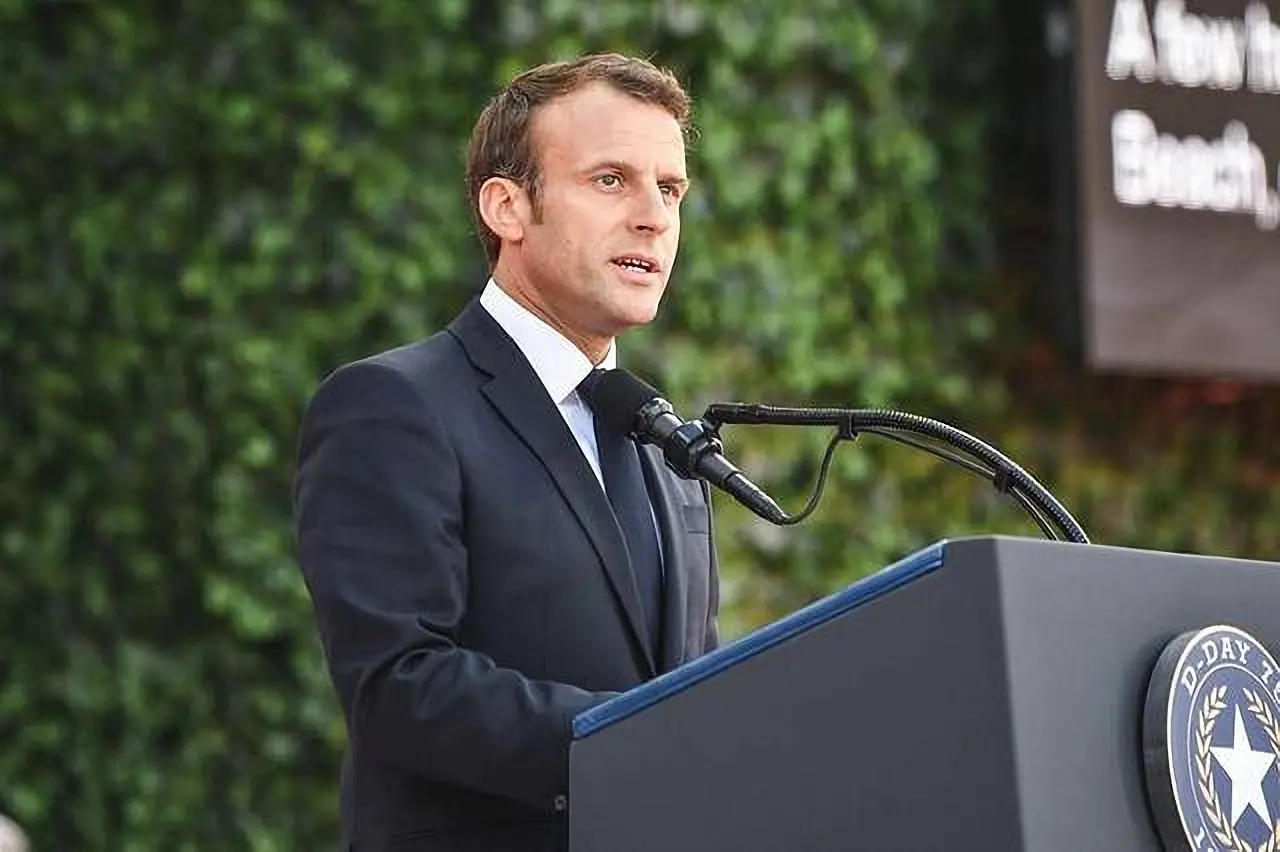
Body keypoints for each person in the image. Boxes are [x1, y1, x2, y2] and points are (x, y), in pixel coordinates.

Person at [293, 53, 721, 852]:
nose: (654, 216)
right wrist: (637, 744)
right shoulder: (394, 406)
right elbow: (399, 683)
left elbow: (692, 679)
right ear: (507, 207)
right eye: (610, 180)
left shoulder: (661, 439)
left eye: (670, 189)